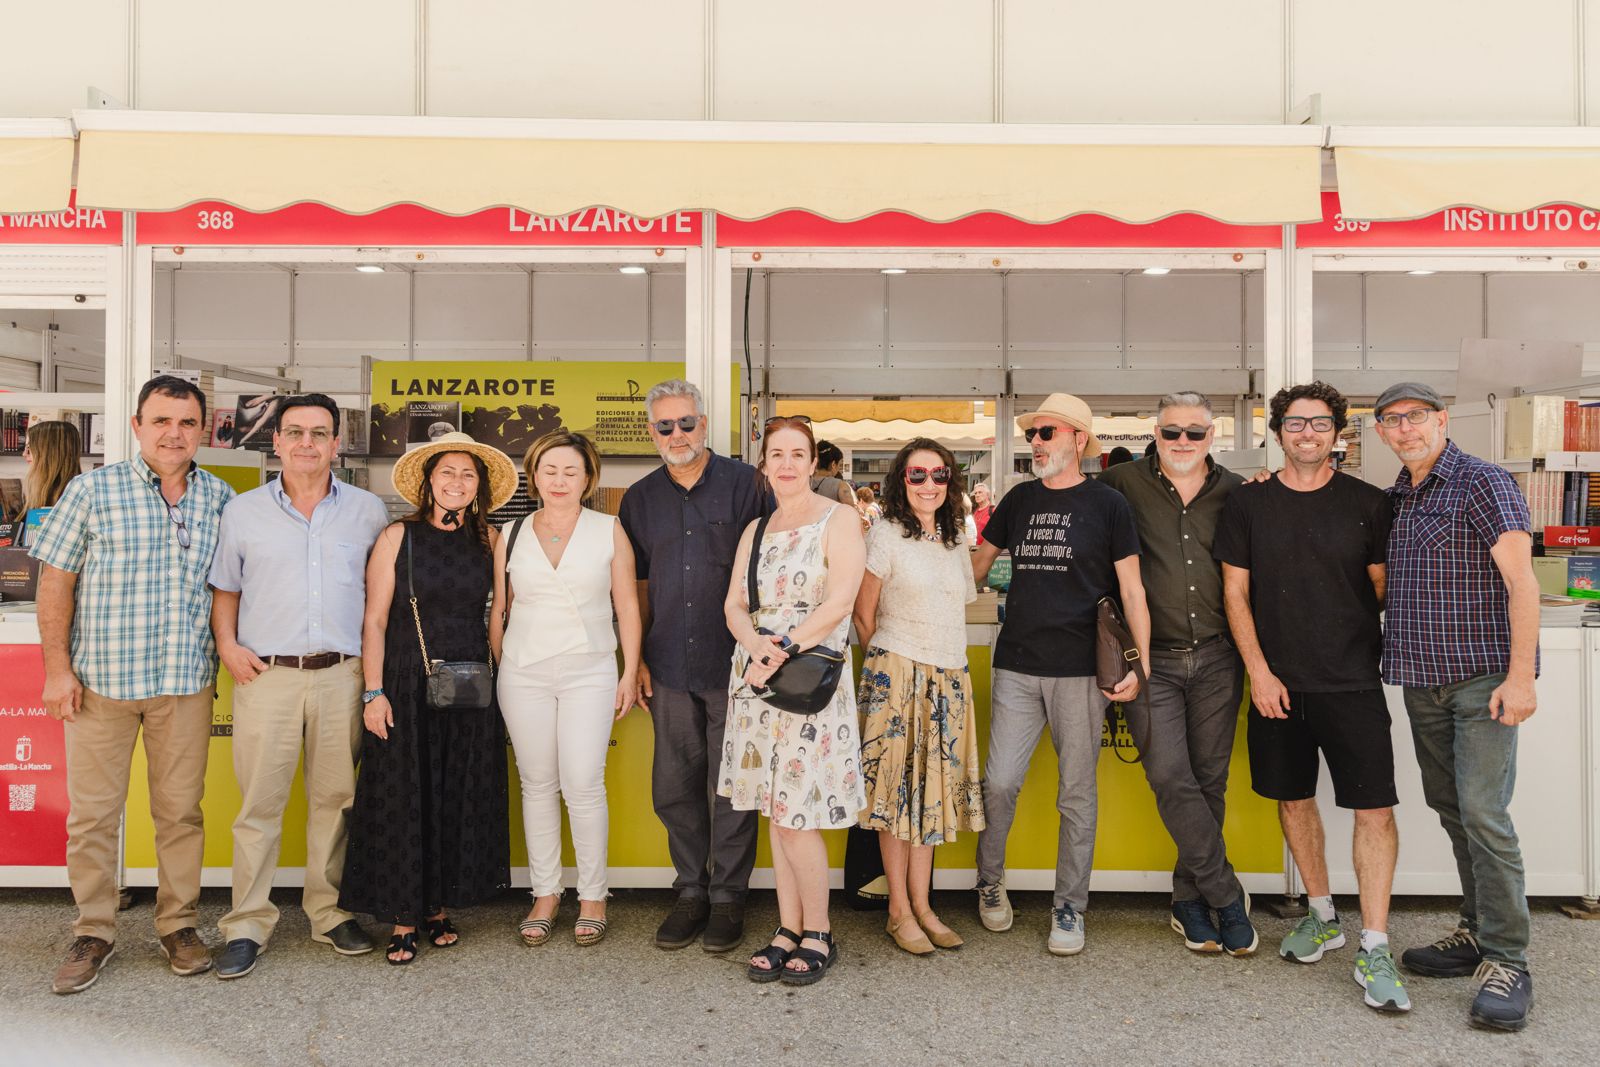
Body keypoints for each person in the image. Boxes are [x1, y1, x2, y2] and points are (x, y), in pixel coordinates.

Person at [31, 375, 233, 994]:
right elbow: (54, 583)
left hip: (185, 684)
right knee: (93, 816)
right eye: (162, 421)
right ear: (137, 426)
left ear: (203, 430)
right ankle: (94, 928)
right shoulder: (92, 491)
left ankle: (179, 925)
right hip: (101, 685)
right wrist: (57, 669)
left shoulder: (220, 497)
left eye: (187, 423)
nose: (174, 433)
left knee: (180, 813)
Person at [1214, 382, 1404, 1011]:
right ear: (1278, 431)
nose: (1307, 434)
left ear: (1337, 433)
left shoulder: (1371, 504)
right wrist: (1261, 672)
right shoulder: (1248, 506)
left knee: (1373, 809)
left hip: (1352, 681)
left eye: (1320, 424)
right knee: (1294, 801)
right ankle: (1322, 914)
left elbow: (1380, 588)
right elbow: (1235, 595)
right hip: (1276, 684)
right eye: (1295, 424)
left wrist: (1334, 623)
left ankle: (1374, 942)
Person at [1373, 382, 1540, 1032]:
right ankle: (1475, 929)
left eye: (1415, 416)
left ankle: (1508, 960)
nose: (1405, 428)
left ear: (1441, 419)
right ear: (1381, 431)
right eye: (1392, 420)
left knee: (1485, 813)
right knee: (1452, 809)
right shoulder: (1399, 498)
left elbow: (1521, 581)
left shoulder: (1482, 482)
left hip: (1482, 680)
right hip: (1422, 681)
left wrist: (1521, 676)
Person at [206, 394, 390, 979]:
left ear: (336, 443)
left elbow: (379, 600)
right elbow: (225, 590)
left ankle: (328, 912)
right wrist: (228, 647)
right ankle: (247, 924)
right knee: (259, 806)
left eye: (319, 433)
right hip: (267, 675)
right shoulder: (244, 512)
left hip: (343, 674)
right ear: (276, 441)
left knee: (335, 802)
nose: (307, 443)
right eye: (295, 432)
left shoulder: (367, 512)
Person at [970, 393, 1148, 956]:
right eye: (1034, 434)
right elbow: (975, 565)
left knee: (1077, 793)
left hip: (1081, 671)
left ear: (1078, 439)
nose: (1037, 442)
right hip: (1018, 663)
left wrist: (1140, 661)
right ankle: (989, 881)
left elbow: (1133, 589)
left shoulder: (1109, 504)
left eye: (1047, 433)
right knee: (999, 783)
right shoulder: (1019, 498)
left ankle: (1070, 904)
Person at [338, 432, 514, 965]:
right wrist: (374, 691)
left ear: (478, 486)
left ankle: (437, 906)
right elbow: (373, 618)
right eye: (448, 473)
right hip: (406, 678)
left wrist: (504, 683)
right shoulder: (399, 536)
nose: (457, 482)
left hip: (471, 681)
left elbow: (500, 615)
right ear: (429, 482)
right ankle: (403, 915)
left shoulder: (492, 539)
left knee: (454, 794)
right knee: (402, 792)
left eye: (468, 475)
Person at [1099, 392, 1256, 957]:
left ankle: (1188, 900)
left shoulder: (1238, 492)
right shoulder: (1121, 487)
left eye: (1195, 432)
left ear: (1212, 436)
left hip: (1218, 656)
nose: (1183, 442)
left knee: (1209, 780)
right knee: (1170, 775)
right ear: (1154, 434)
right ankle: (1226, 895)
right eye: (1172, 433)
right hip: (1150, 660)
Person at [617, 379, 764, 952]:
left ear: (704, 425)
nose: (676, 434)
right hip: (669, 662)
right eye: (664, 426)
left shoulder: (746, 485)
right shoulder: (639, 499)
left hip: (736, 665)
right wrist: (639, 658)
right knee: (675, 787)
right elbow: (637, 585)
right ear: (651, 432)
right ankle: (690, 892)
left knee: (731, 786)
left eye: (686, 423)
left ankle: (728, 899)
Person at [721, 416, 865, 985]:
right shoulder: (755, 529)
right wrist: (754, 643)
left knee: (797, 813)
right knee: (775, 814)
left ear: (813, 463)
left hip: (807, 676)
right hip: (757, 673)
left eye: (797, 453)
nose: (786, 463)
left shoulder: (841, 518)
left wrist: (780, 646)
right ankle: (787, 927)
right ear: (764, 465)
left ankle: (819, 931)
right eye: (776, 453)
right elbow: (733, 602)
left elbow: (841, 600)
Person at [494, 431, 642, 949]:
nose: (559, 480)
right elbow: (501, 609)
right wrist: (498, 666)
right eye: (549, 470)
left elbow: (627, 606)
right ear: (533, 475)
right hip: (523, 670)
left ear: (587, 479)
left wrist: (629, 670)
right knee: (536, 783)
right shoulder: (509, 533)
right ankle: (545, 893)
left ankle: (594, 895)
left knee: (582, 783)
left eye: (570, 472)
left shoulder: (609, 529)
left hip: (590, 669)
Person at [853, 438, 984, 955]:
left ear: (951, 481)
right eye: (917, 475)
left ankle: (924, 905)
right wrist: (889, 671)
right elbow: (864, 615)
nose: (929, 484)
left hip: (950, 676)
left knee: (929, 798)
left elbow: (958, 607)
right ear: (899, 481)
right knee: (894, 797)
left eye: (939, 474)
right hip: (898, 672)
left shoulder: (956, 539)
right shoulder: (884, 533)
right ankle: (899, 911)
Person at [23, 419, 83, 514]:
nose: (24, 454)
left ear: (48, 451)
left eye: (29, 448)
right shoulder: (37, 491)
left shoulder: (78, 497)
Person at [812, 439, 857, 506]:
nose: (839, 469)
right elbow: (851, 512)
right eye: (839, 464)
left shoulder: (804, 483)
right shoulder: (841, 486)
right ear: (833, 464)